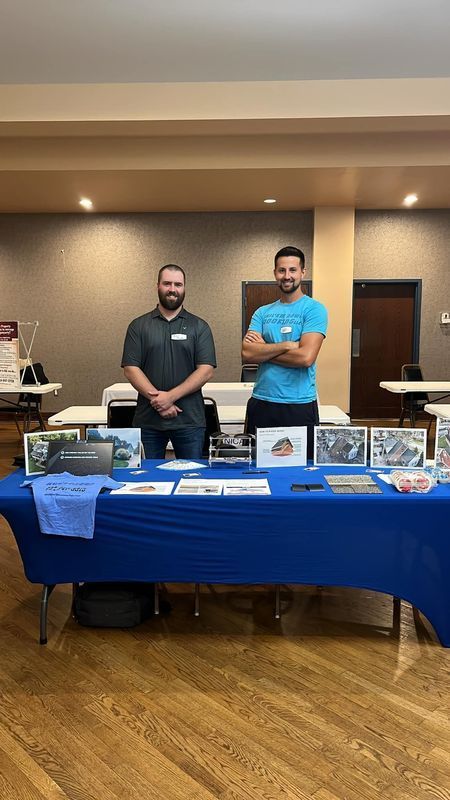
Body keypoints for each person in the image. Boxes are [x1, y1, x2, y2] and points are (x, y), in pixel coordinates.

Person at [121, 264, 216, 459]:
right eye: (167, 284)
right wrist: (159, 401)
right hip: (148, 421)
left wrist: (169, 397)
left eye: (178, 284)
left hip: (189, 420)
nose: (172, 289)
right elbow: (131, 369)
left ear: (184, 288)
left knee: (191, 479)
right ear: (157, 286)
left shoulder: (199, 327)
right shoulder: (138, 326)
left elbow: (205, 370)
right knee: (146, 481)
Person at [241, 246, 328, 459]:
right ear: (275, 273)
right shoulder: (262, 312)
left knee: (300, 468)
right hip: (262, 402)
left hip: (298, 405)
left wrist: (265, 349)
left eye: (292, 270)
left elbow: (306, 358)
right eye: (281, 271)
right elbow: (248, 354)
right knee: (258, 465)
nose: (287, 276)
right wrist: (288, 345)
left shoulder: (314, 309)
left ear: (302, 272)